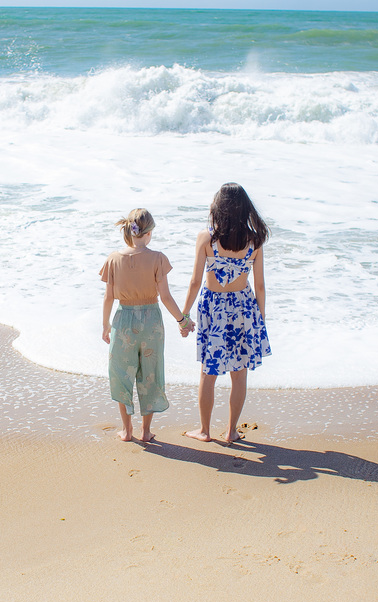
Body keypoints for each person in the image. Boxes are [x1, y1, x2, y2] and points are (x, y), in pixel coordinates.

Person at [180, 183, 271, 444]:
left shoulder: (207, 238)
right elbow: (261, 285)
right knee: (239, 373)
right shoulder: (254, 240)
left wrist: (183, 316)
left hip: (213, 308)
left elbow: (195, 282)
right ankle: (231, 431)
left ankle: (205, 431)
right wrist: (260, 320)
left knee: (208, 373)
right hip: (244, 308)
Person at [100, 208, 194, 442]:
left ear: (129, 231)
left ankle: (126, 430)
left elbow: (108, 298)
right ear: (149, 233)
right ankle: (145, 431)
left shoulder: (113, 259)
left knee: (121, 373)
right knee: (150, 374)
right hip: (151, 321)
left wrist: (105, 326)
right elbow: (166, 297)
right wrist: (183, 320)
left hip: (123, 321)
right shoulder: (157, 258)